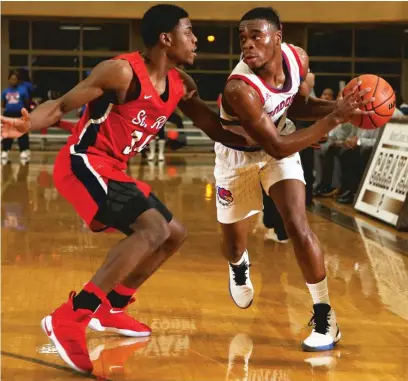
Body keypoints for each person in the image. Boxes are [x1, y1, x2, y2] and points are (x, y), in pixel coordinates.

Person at [1, 4, 251, 373]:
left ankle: (113, 307)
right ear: (166, 39)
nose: (196, 39)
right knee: (152, 229)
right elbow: (61, 105)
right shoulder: (121, 71)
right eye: (189, 31)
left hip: (114, 169)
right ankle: (71, 317)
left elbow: (216, 130)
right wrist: (26, 126)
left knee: (174, 234)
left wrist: (271, 140)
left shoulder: (181, 84)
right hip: (82, 162)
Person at [216, 7, 373, 352]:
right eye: (243, 38)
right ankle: (238, 264)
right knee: (232, 244)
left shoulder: (297, 59)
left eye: (256, 35)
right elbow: (274, 145)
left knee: (298, 224)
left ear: (278, 35)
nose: (248, 45)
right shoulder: (239, 90)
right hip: (238, 157)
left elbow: (297, 105)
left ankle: (324, 316)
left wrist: (344, 108)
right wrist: (333, 118)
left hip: (280, 143)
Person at [1, 71, 30, 164]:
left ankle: (23, 151)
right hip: (8, 114)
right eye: (12, 79)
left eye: (15, 79)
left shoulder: (23, 91)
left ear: (18, 80)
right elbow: (3, 104)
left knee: (22, 134)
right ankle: (5, 151)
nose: (13, 81)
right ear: (9, 80)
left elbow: (27, 103)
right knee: (7, 133)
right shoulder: (5, 91)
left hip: (19, 115)